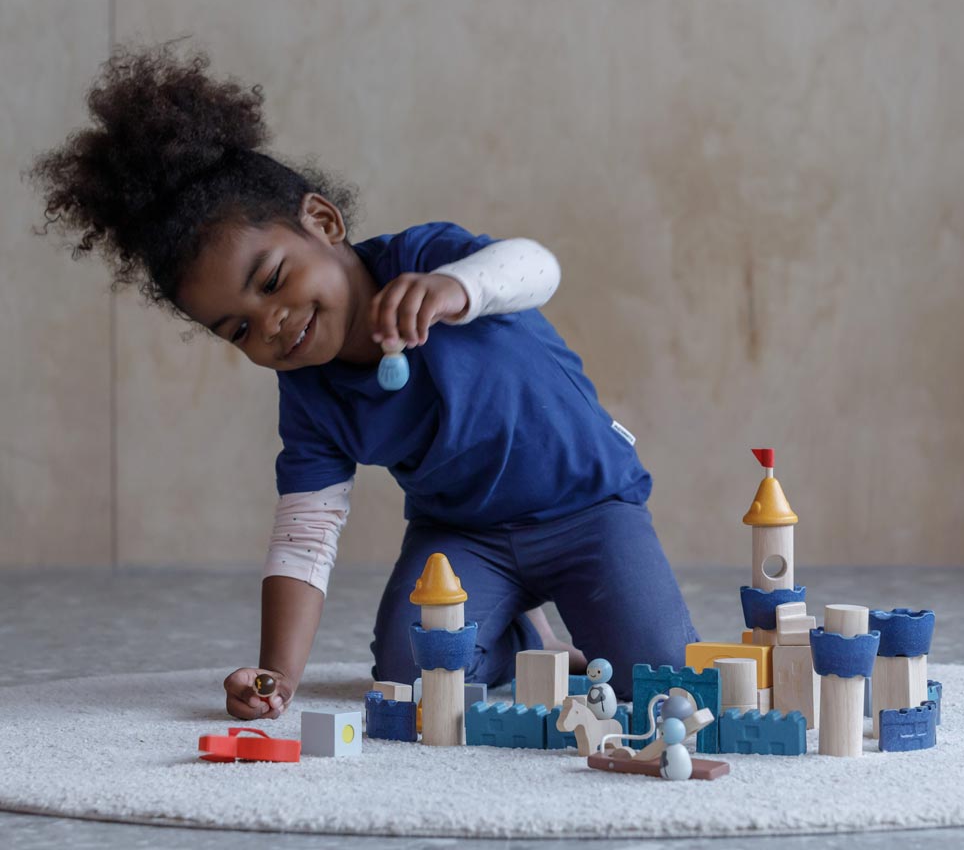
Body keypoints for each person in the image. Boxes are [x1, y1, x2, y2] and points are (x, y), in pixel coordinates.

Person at [30, 44, 699, 720]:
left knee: (662, 681)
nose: (271, 324)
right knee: (412, 685)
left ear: (322, 222)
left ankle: (573, 619)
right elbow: (304, 539)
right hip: (465, 539)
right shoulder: (312, 401)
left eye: (271, 281)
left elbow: (536, 267)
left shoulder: (425, 260)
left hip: (590, 509)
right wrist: (276, 677)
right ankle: (521, 637)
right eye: (236, 330)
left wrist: (459, 288)